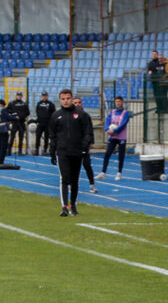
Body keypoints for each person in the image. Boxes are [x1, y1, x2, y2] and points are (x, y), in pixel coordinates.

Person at [48, 88, 92, 217]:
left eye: (68, 98)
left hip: (77, 151)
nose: (66, 101)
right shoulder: (56, 116)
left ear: (72, 99)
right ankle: (64, 207)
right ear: (60, 100)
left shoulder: (81, 115)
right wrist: (52, 150)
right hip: (63, 152)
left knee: (75, 180)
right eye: (63, 99)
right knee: (64, 178)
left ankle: (73, 205)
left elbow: (87, 132)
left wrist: (84, 147)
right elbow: (52, 135)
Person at [99, 96, 130, 180]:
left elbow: (123, 124)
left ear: (122, 102)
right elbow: (107, 121)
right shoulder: (112, 112)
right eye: (116, 101)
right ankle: (103, 173)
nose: (118, 103)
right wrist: (107, 129)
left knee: (121, 155)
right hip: (112, 137)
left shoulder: (125, 113)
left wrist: (115, 131)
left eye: (119, 101)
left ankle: (119, 173)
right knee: (107, 154)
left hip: (121, 138)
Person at [72, 97, 97, 194]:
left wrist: (90, 142)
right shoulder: (69, 115)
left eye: (79, 102)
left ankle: (92, 184)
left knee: (87, 165)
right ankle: (71, 184)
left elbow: (90, 129)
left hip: (83, 144)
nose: (77, 104)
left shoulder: (86, 116)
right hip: (73, 145)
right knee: (72, 166)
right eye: (75, 103)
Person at [0, 98, 15, 167]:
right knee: (3, 146)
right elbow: (8, 117)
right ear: (3, 105)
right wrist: (15, 118)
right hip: (3, 129)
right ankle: (1, 162)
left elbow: (0, 118)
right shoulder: (2, 109)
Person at [6, 92, 29, 156]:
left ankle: (20, 151)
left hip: (21, 122)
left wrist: (21, 116)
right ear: (16, 96)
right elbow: (7, 110)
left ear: (22, 96)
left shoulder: (24, 104)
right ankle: (9, 151)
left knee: (21, 137)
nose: (19, 96)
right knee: (12, 137)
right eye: (18, 95)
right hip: (14, 122)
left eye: (20, 95)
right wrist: (12, 116)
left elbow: (27, 112)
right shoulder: (12, 103)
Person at [147, 50, 168, 114]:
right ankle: (159, 108)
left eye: (155, 54)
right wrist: (149, 71)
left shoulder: (161, 63)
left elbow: (167, 67)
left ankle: (165, 109)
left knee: (163, 96)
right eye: (153, 54)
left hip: (162, 83)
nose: (154, 55)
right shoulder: (151, 63)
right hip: (155, 82)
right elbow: (149, 69)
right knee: (157, 96)